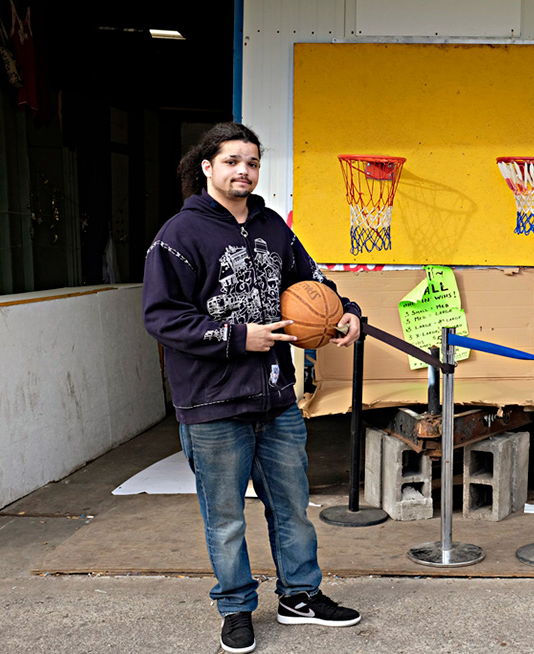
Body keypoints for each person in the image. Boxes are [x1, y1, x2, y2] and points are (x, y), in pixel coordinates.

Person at [143, 122, 363, 654]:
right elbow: (162, 317)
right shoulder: (179, 235)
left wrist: (347, 312)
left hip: (276, 397)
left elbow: (313, 283)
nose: (244, 170)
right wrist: (239, 336)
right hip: (212, 403)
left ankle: (299, 597)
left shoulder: (273, 227)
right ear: (207, 167)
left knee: (292, 508)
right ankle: (236, 607)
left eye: (253, 162)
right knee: (225, 518)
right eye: (232, 161)